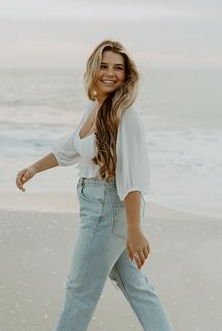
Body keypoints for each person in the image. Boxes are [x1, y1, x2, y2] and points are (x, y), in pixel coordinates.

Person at [16, 40, 174, 331]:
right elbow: (71, 146)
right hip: (100, 207)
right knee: (136, 286)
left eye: (118, 68)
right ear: (93, 69)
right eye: (104, 66)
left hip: (109, 209)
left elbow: (133, 177)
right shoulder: (95, 107)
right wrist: (34, 168)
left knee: (78, 291)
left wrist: (135, 229)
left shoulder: (126, 114)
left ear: (127, 75)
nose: (110, 73)